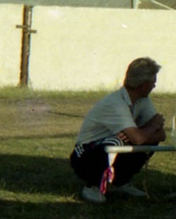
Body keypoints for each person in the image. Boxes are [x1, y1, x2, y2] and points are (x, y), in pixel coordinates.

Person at [70, 56, 167, 204]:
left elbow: (161, 135)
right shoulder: (115, 103)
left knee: (130, 143)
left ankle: (118, 183)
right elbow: (140, 137)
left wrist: (141, 134)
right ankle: (93, 186)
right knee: (114, 143)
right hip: (84, 155)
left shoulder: (143, 100)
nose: (155, 85)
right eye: (153, 82)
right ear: (143, 85)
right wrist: (151, 127)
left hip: (110, 147)